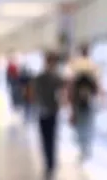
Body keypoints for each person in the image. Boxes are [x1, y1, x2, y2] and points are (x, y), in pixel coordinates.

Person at [65, 44, 102, 164]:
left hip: (83, 102)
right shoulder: (88, 66)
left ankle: (84, 148)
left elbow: (72, 86)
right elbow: (96, 86)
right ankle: (84, 148)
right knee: (85, 125)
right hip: (82, 102)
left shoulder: (80, 66)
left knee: (84, 125)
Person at [32, 51, 64, 179]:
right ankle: (51, 162)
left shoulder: (39, 78)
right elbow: (61, 94)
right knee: (51, 138)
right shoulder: (56, 78)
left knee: (45, 139)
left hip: (43, 111)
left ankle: (49, 162)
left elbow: (34, 94)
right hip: (51, 111)